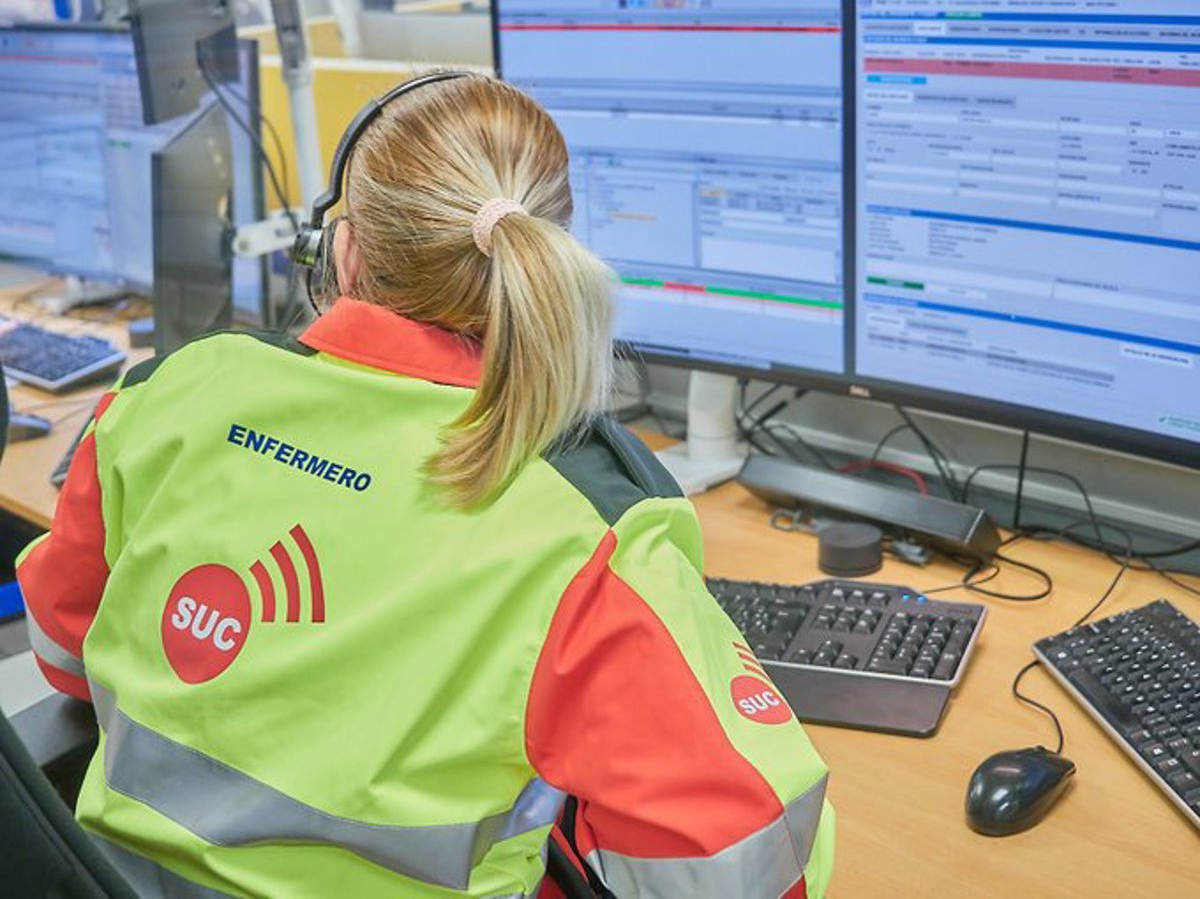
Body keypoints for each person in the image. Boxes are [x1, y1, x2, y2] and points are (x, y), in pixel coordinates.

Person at [17, 73, 834, 898]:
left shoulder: (171, 390)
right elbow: (736, 871)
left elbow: (64, 654)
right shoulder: (583, 522)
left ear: (341, 251)